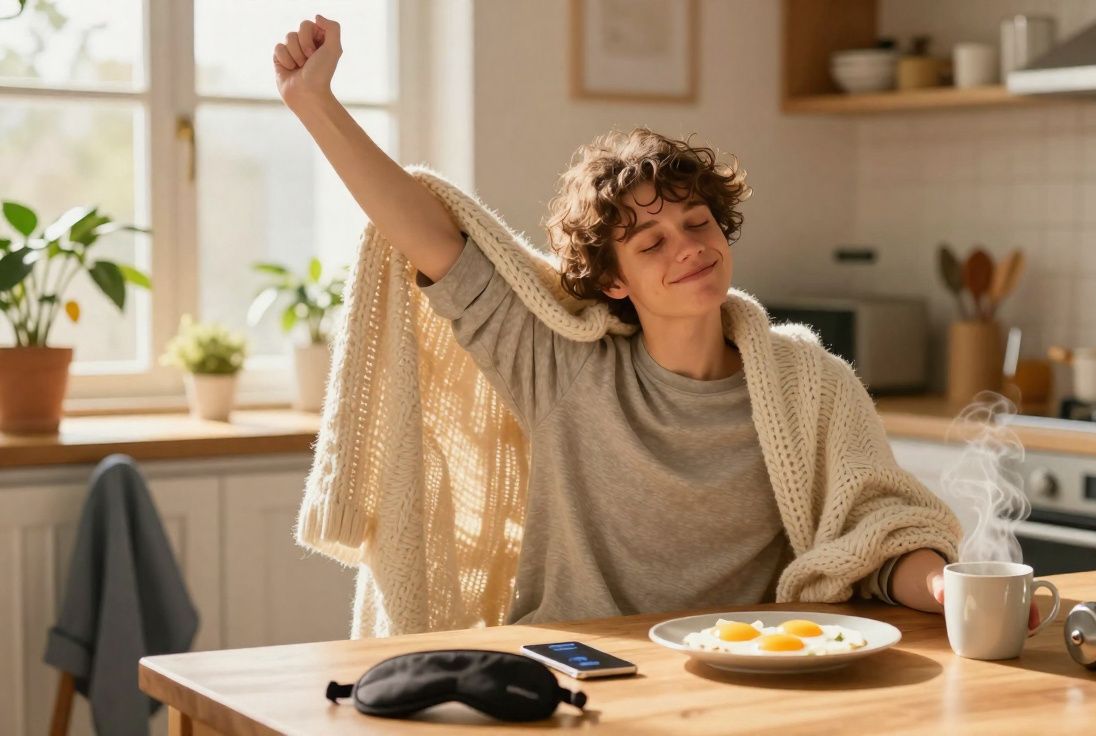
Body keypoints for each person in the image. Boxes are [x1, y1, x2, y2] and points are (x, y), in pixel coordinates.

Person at [273, 15, 1030, 629]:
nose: (690, 249)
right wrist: (315, 103)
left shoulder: (810, 383)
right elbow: (433, 241)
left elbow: (881, 535)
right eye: (651, 242)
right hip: (587, 684)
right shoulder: (564, 372)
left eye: (698, 222)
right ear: (612, 279)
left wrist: (942, 587)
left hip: (754, 683)